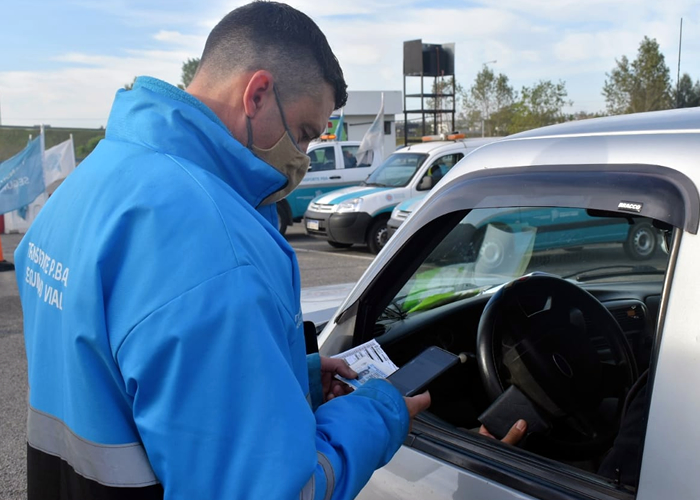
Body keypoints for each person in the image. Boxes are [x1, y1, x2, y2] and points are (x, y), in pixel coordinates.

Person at [15, 3, 430, 499]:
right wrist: (377, 414)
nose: (300, 159)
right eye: (301, 133)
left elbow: (126, 373)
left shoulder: (87, 185)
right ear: (257, 94)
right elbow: (273, 490)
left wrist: (292, 376)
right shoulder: (216, 243)